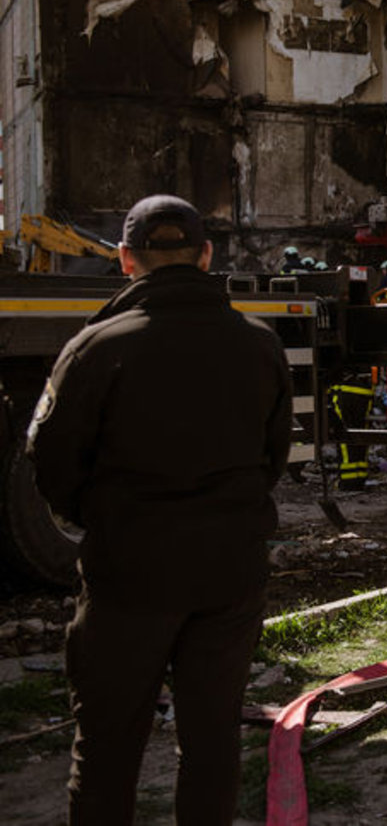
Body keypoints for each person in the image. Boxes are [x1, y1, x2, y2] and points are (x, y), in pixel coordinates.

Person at [27, 195, 292, 825]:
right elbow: (272, 456)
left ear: (125, 261)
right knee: (212, 741)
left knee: (107, 748)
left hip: (130, 571)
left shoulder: (95, 347)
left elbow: (51, 461)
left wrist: (106, 518)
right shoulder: (259, 344)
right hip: (230, 571)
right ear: (206, 256)